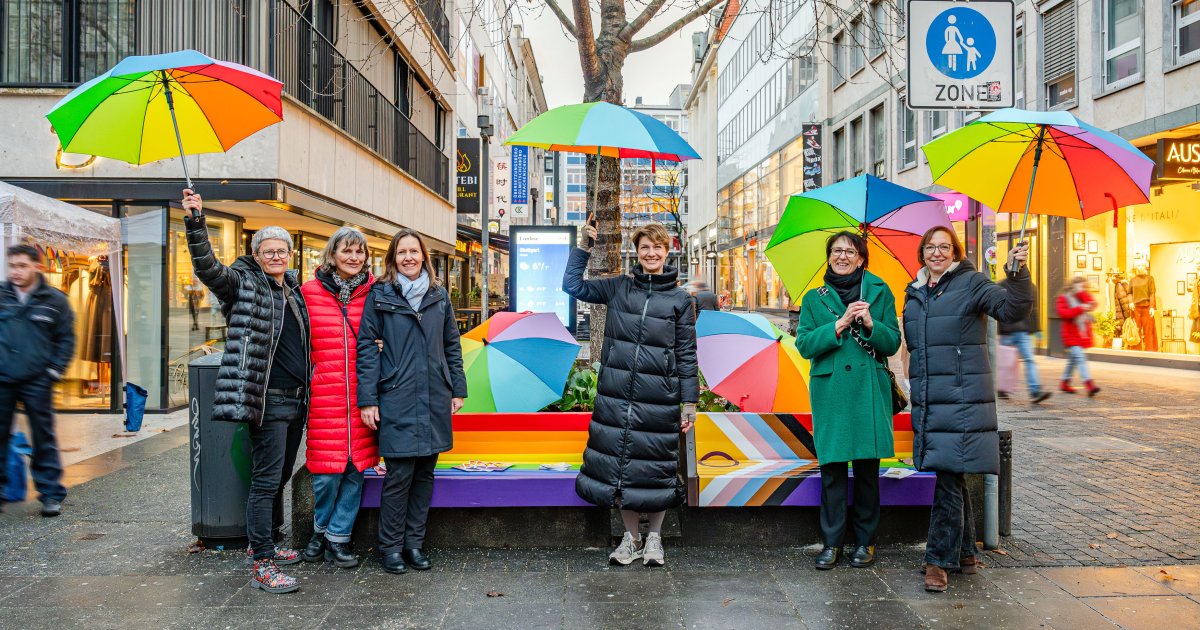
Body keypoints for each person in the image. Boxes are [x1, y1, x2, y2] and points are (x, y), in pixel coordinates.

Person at [182, 189, 310, 594]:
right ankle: (262, 561)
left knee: (281, 474)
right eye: (267, 250)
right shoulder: (242, 284)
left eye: (281, 250)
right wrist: (196, 220)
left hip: (297, 398)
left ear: (289, 254)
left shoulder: (291, 288)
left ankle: (270, 539)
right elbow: (207, 268)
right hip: (266, 399)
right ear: (256, 254)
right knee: (266, 480)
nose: (275, 256)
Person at [562, 220, 698, 567]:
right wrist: (584, 246)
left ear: (667, 251)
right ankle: (631, 539)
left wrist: (689, 402)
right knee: (619, 470)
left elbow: (686, 353)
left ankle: (654, 540)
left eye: (657, 247)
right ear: (636, 252)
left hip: (660, 398)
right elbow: (572, 285)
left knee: (656, 469)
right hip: (617, 396)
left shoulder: (681, 300)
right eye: (644, 248)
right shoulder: (619, 287)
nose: (651, 253)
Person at [903, 226, 1032, 593]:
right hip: (930, 399)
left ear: (956, 251)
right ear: (922, 252)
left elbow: (1010, 308)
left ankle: (937, 561)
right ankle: (965, 555)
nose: (937, 253)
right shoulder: (913, 292)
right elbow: (911, 346)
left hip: (961, 399)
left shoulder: (972, 282)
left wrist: (1017, 274)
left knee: (946, 474)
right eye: (931, 246)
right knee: (952, 474)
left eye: (945, 247)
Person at [356, 229, 466, 575]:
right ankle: (390, 548)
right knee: (399, 475)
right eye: (401, 252)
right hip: (397, 396)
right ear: (393, 258)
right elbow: (366, 349)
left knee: (424, 475)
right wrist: (368, 399)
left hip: (434, 395)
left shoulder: (438, 296)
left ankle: (414, 545)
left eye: (414, 252)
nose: (408, 257)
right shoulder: (380, 295)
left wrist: (457, 389)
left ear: (424, 257)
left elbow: (452, 346)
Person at [796, 231, 900, 570]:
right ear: (829, 257)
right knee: (833, 473)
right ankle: (831, 544)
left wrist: (871, 324)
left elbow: (893, 343)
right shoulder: (814, 298)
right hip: (832, 393)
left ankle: (866, 542)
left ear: (861, 258)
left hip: (868, 390)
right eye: (837, 251)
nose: (843, 256)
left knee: (868, 472)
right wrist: (839, 325)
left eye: (850, 251)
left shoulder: (880, 290)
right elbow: (805, 345)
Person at [299, 227, 377, 569]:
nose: (353, 257)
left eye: (359, 252)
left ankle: (338, 539)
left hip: (363, 397)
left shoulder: (375, 292)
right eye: (347, 251)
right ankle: (319, 530)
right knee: (325, 473)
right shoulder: (308, 293)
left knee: (355, 470)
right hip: (325, 396)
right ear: (332, 254)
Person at [0, 244, 75, 517]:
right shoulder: (1, 296)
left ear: (37, 267)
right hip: (3, 379)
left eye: (22, 266)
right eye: (12, 266)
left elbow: (66, 340)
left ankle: (50, 494)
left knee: (43, 437)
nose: (16, 272)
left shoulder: (54, 300)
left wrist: (53, 372)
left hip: (37, 380)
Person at [997, 279, 1050, 404]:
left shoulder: (1031, 286)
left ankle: (1035, 391)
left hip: (1022, 330)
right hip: (1007, 331)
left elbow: (1034, 309)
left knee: (1029, 360)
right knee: (1006, 363)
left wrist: (1037, 329)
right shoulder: (1002, 285)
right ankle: (1002, 388)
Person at [1056, 276, 1100, 396]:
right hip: (1070, 334)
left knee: (1072, 360)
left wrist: (1081, 293)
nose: (1083, 288)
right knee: (1080, 358)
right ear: (1073, 285)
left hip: (1081, 333)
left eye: (1084, 286)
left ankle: (1065, 382)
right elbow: (1064, 313)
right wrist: (1080, 308)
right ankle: (1089, 384)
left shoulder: (1082, 295)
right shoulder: (1063, 297)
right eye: (1080, 285)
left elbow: (1093, 304)